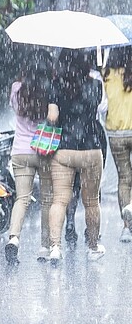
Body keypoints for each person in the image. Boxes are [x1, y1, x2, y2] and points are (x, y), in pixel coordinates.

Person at [47, 49, 105, 263]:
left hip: (64, 149)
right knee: (91, 201)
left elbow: (52, 118)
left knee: (60, 200)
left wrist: (56, 109)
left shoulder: (56, 85)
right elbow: (95, 111)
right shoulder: (96, 85)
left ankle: (55, 247)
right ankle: (92, 246)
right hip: (91, 148)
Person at [4, 50, 54, 264]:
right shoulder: (50, 90)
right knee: (46, 200)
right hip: (43, 150)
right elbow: (52, 119)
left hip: (20, 150)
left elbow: (14, 109)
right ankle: (44, 246)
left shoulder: (17, 88)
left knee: (21, 199)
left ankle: (14, 238)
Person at [103, 45, 132, 242]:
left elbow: (102, 105)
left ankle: (127, 226)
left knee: (124, 178)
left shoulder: (106, 76)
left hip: (116, 134)